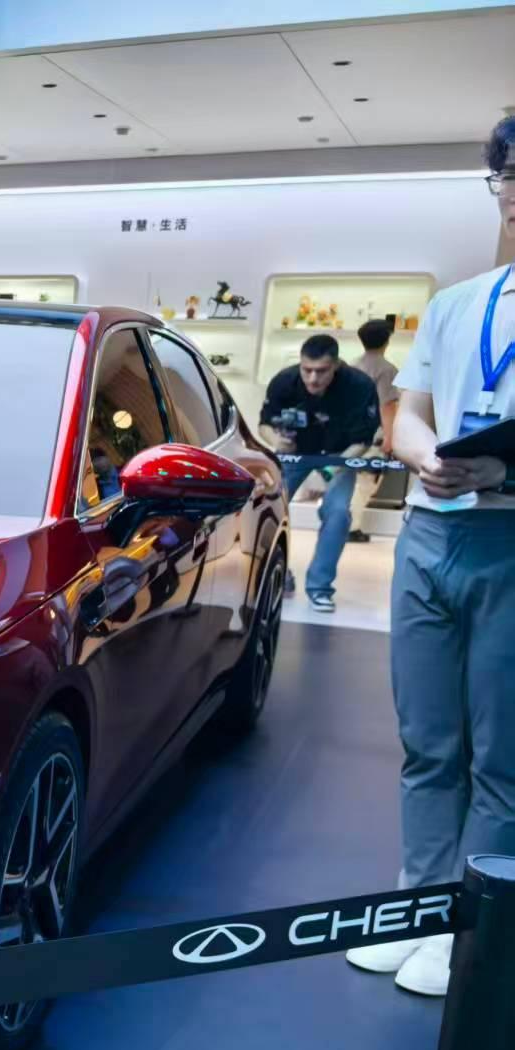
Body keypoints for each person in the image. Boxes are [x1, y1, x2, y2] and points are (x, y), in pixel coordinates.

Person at [345, 115, 515, 997]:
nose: (514, 193)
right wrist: (422, 455)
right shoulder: (459, 303)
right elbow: (408, 412)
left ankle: (473, 926)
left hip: (508, 542)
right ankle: (418, 906)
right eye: (507, 176)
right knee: (426, 742)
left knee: (501, 756)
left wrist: (502, 468)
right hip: (428, 533)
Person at [259, 333, 381, 612]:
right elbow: (264, 425)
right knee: (270, 509)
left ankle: (320, 588)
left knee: (338, 514)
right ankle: (277, 574)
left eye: (321, 371)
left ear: (336, 365)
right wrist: (277, 441)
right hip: (295, 454)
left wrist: (327, 471)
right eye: (307, 370)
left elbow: (362, 442)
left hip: (340, 456)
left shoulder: (359, 386)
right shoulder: (284, 381)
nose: (313, 378)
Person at [346, 319, 402, 542]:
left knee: (349, 480)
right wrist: (389, 437)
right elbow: (387, 406)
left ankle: (343, 523)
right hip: (372, 434)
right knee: (366, 481)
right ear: (387, 341)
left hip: (349, 431)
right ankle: (351, 527)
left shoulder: (351, 366)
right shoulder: (387, 370)